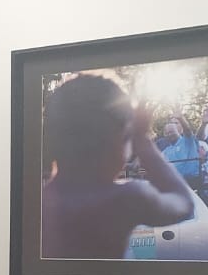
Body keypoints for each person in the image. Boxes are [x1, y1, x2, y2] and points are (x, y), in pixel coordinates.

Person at [40, 75, 195, 259]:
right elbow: (185, 203)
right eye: (127, 139)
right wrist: (142, 140)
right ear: (119, 140)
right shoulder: (125, 198)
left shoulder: (37, 203)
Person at [158, 116, 204, 191]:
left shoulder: (187, 141)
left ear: (179, 131)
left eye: (172, 132)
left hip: (192, 182)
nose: (169, 134)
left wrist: (181, 118)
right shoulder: (166, 151)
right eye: (167, 133)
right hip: (176, 182)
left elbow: (188, 131)